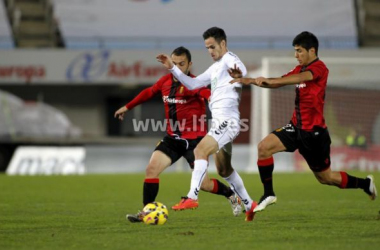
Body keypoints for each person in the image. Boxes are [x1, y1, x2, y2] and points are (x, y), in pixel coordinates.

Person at [229, 31, 377, 213]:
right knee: (264, 148)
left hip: (314, 134)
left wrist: (272, 80)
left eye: (299, 51)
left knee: (326, 178)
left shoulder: (319, 68)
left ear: (312, 50)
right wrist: (249, 80)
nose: (295, 55)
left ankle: (365, 183)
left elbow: (301, 78)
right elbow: (278, 82)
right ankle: (268, 193)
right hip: (295, 128)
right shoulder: (298, 70)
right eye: (295, 51)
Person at [114, 46, 243, 223]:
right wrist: (127, 107)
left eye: (181, 64)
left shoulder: (194, 83)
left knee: (205, 185)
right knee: (151, 170)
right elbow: (148, 93)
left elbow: (205, 93)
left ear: (189, 64)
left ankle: (231, 194)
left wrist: (215, 100)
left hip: (196, 143)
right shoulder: (164, 82)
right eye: (174, 63)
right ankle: (147, 212)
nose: (177, 68)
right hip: (173, 139)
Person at [157, 27, 258, 222]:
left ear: (223, 44)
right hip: (219, 123)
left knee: (199, 151)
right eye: (207, 48)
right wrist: (172, 67)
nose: (210, 51)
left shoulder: (229, 59)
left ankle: (192, 197)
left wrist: (239, 74)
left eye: (213, 46)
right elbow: (192, 84)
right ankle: (249, 204)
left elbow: (241, 69)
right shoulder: (215, 67)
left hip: (228, 122)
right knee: (224, 171)